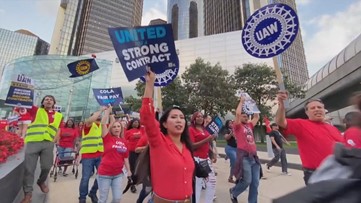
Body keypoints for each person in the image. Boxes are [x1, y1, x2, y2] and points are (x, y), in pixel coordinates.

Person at [140, 70, 194, 203]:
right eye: (174, 117)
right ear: (164, 123)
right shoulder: (158, 142)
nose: (179, 120)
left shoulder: (187, 147)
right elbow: (147, 117)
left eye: (182, 118)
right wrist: (150, 84)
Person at [275, 91, 343, 185]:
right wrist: (281, 104)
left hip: (338, 173)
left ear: (324, 110)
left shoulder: (333, 128)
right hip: (316, 175)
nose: (317, 109)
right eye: (313, 108)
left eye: (319, 107)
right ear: (307, 112)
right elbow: (280, 121)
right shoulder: (301, 124)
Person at [21, 95, 63, 203]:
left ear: (54, 103)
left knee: (46, 166)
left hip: (48, 143)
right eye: (46, 99)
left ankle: (41, 181)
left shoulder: (59, 115)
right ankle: (28, 194)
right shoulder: (36, 110)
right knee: (29, 169)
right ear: (43, 102)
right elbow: (26, 102)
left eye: (51, 99)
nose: (48, 101)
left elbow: (59, 128)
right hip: (33, 142)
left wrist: (54, 140)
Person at [97, 105, 131, 203]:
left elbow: (126, 158)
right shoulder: (107, 138)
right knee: (103, 199)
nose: (116, 128)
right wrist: (108, 112)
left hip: (118, 174)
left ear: (121, 128)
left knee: (117, 198)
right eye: (114, 127)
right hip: (104, 174)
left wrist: (128, 170)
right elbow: (103, 124)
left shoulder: (124, 142)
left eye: (118, 126)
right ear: (111, 129)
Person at [229, 96, 260, 203]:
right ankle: (234, 192)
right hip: (244, 157)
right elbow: (237, 114)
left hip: (254, 157)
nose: (246, 117)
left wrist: (253, 105)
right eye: (244, 116)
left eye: (247, 116)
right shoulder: (237, 126)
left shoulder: (249, 125)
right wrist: (242, 102)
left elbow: (256, 116)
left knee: (255, 183)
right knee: (247, 180)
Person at [78, 108, 105, 203]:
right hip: (88, 156)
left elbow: (109, 120)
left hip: (99, 155)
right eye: (96, 115)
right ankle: (82, 197)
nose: (99, 117)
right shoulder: (88, 125)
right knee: (85, 178)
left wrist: (109, 110)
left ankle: (93, 192)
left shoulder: (101, 126)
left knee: (101, 176)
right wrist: (100, 110)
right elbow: (90, 119)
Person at [189, 112, 217, 203]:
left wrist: (212, 152)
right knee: (198, 184)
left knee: (212, 182)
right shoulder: (191, 130)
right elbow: (192, 146)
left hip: (206, 159)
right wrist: (207, 139)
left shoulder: (204, 130)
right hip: (196, 159)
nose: (200, 118)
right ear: (194, 119)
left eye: (201, 117)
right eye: (198, 117)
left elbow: (207, 143)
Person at [125, 118, 144, 193]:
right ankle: (132, 185)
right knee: (133, 168)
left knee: (139, 168)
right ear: (132, 123)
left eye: (137, 122)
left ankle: (134, 181)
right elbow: (125, 141)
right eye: (135, 122)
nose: (136, 123)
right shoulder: (128, 132)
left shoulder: (142, 130)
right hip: (132, 152)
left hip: (140, 152)